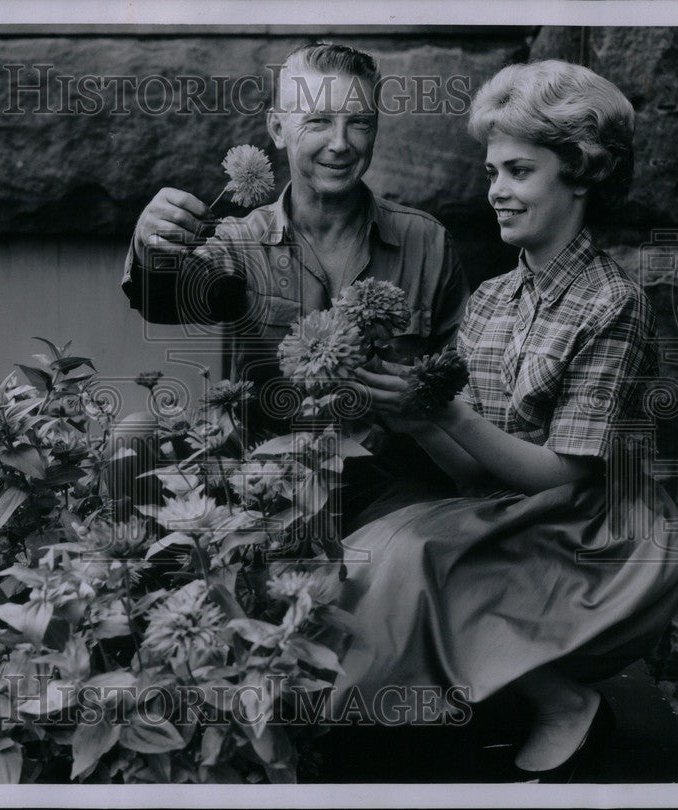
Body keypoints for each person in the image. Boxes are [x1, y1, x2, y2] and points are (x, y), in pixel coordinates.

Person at [332, 59, 678, 780]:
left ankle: (563, 701)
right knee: (371, 551)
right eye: (492, 171)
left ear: (581, 173)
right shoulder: (495, 299)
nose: (495, 191)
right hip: (510, 505)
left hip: (594, 525)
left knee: (415, 556)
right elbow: (474, 470)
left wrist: (445, 412)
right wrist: (415, 419)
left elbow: (562, 471)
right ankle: (449, 709)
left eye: (519, 172)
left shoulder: (612, 304)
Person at [120, 41, 470, 521]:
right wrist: (148, 242)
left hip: (388, 491)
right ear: (277, 129)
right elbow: (161, 303)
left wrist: (419, 402)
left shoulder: (426, 243)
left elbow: (464, 389)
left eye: (359, 122)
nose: (341, 143)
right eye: (319, 120)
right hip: (259, 477)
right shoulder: (238, 241)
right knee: (133, 436)